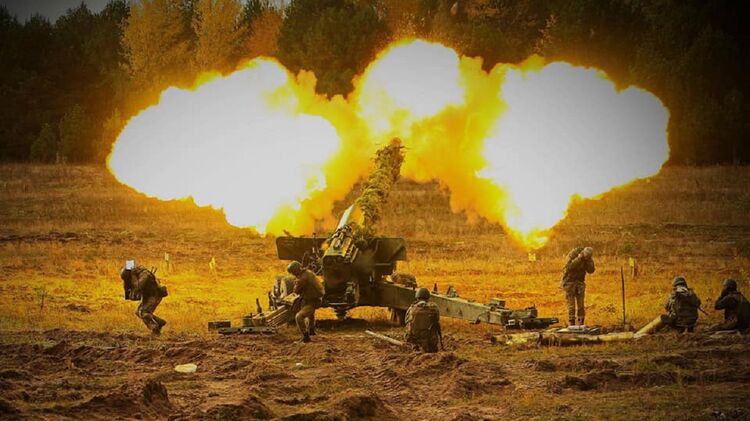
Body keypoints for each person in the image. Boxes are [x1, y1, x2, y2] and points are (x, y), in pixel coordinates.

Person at [120, 261, 168, 335]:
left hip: (155, 295)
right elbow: (129, 293)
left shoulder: (145, 274)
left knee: (144, 312)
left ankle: (155, 329)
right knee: (138, 312)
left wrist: (133, 276)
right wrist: (127, 285)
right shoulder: (134, 275)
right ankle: (159, 322)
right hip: (147, 295)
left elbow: (138, 286)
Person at [288, 261, 324, 343]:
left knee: (299, 317)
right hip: (315, 298)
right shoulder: (308, 273)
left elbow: (296, 291)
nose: (293, 274)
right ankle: (312, 331)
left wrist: (295, 283)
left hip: (313, 301)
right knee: (309, 313)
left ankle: (306, 337)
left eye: (293, 272)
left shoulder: (302, 279)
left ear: (295, 271)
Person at [561, 246, 595, 326]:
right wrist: (578, 259)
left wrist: (588, 261)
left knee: (581, 305)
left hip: (580, 282)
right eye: (586, 256)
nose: (586, 258)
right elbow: (568, 268)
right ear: (583, 253)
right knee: (571, 305)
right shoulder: (573, 255)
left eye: (588, 256)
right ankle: (572, 323)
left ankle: (581, 322)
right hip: (569, 282)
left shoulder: (588, 259)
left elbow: (591, 270)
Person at [404, 287, 441, 353]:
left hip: (414, 339)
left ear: (417, 297)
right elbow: (437, 319)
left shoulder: (411, 308)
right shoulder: (434, 308)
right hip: (430, 341)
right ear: (428, 297)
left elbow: (406, 321)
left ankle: (415, 347)